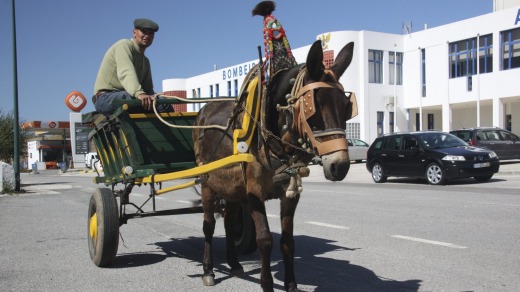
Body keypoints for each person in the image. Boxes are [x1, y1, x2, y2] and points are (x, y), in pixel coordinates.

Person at [93, 18, 173, 115]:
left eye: (151, 33)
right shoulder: (124, 45)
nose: (147, 36)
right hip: (106, 98)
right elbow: (126, 72)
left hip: (128, 95)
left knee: (164, 103)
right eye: (143, 31)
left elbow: (148, 90)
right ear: (134, 32)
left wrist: (155, 96)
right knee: (144, 101)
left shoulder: (145, 61)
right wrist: (139, 93)